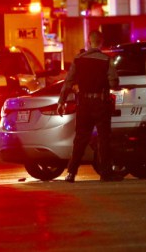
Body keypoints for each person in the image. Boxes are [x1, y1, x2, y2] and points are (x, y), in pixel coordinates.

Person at [56, 31, 119, 182]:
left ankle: (71, 173)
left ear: (89, 42)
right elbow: (114, 83)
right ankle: (106, 173)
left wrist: (61, 101)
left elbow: (68, 82)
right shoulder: (106, 60)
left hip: (83, 103)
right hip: (100, 103)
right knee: (104, 139)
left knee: (80, 138)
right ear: (101, 42)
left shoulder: (79, 59)